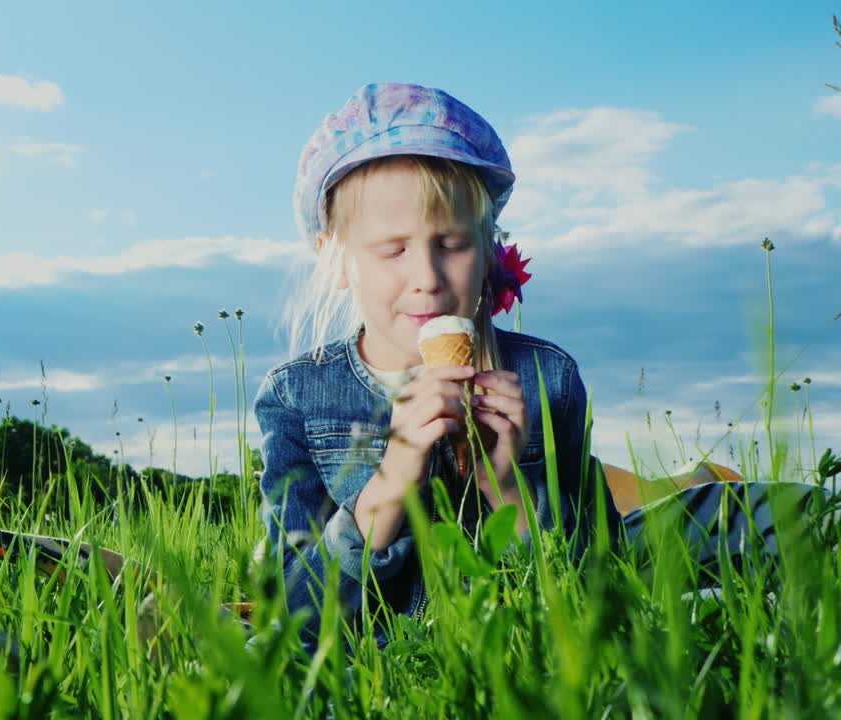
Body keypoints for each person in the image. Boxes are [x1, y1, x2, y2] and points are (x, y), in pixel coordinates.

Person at [256, 82, 834, 653]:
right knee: (264, 659)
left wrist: (506, 486)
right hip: (387, 647)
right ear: (336, 260)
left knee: (795, 513)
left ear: (487, 251)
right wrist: (394, 473)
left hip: (536, 618)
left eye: (451, 243)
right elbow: (299, 615)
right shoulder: (299, 398)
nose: (427, 276)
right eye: (393, 249)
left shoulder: (546, 377)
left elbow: (593, 576)